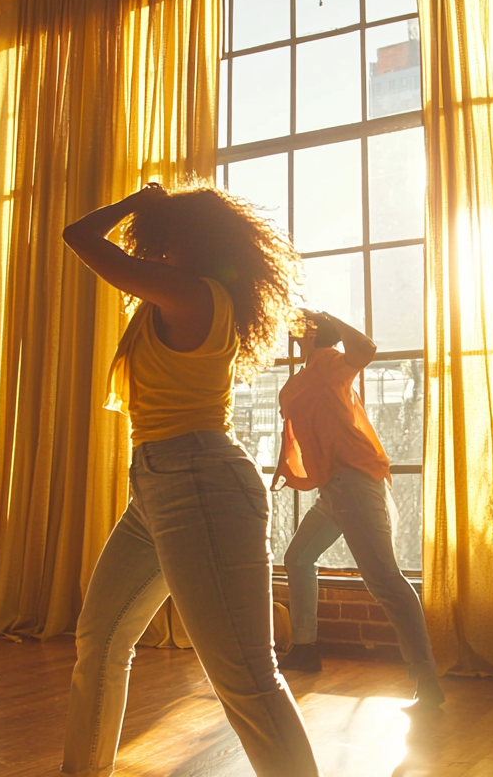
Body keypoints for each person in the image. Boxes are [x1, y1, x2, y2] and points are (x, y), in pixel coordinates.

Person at [61, 182, 319, 777]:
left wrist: (136, 202)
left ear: (184, 239)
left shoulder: (195, 294)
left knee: (247, 677)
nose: (151, 251)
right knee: (99, 641)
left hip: (200, 482)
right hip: (155, 485)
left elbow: (79, 238)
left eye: (160, 239)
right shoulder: (171, 298)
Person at [272, 309, 444, 712]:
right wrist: (289, 470)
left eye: (304, 328)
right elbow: (299, 426)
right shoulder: (308, 374)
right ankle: (305, 647)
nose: (295, 332)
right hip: (335, 487)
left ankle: (426, 677)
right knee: (298, 558)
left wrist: (329, 319)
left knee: (384, 579)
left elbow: (365, 348)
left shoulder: (330, 361)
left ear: (316, 333)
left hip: (354, 481)